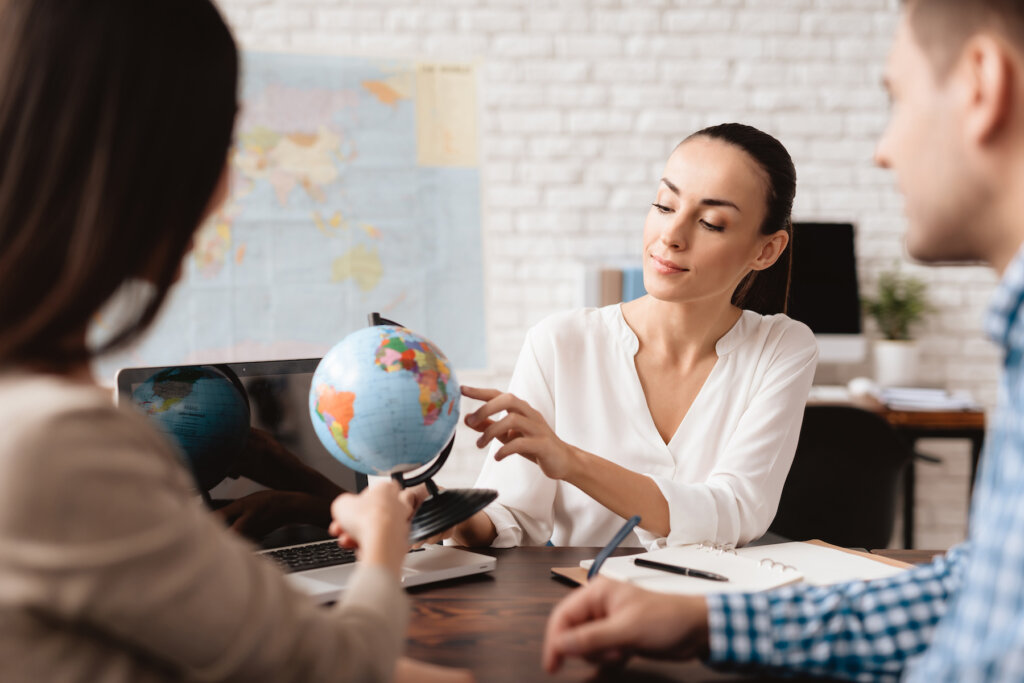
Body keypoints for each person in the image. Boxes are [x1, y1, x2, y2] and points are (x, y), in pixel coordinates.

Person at [543, 0, 1024, 679]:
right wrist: (709, 621)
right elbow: (979, 593)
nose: (881, 151)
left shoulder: (782, 346)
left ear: (981, 83)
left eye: (898, 99)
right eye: (664, 203)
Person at [0, 1, 468, 681]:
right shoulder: (60, 443)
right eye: (219, 145)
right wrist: (383, 545)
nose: (225, 188)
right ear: (138, 162)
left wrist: (307, 490)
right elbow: (340, 664)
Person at [443, 124, 819, 550]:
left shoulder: (781, 349)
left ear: (766, 250)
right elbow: (510, 515)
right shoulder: (560, 342)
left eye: (711, 223)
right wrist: (446, 516)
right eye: (664, 205)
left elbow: (734, 512)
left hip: (706, 607)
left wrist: (572, 461)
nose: (671, 237)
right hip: (581, 605)